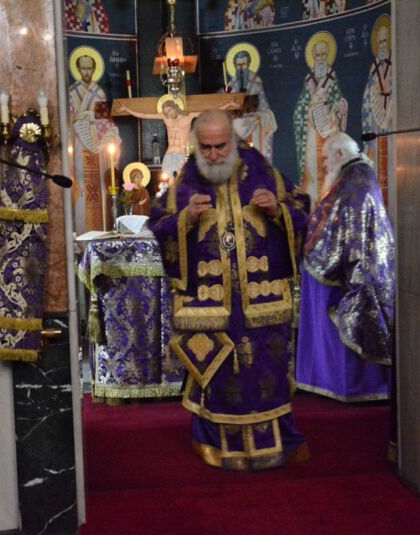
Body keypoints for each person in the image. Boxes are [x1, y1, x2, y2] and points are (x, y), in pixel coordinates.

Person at [148, 109, 311, 470]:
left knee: (265, 375)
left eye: (220, 146)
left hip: (262, 302)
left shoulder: (261, 169)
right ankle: (215, 445)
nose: (213, 155)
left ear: (233, 141)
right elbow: (158, 223)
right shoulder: (189, 176)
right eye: (206, 148)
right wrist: (186, 219)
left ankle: (275, 445)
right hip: (211, 305)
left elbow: (302, 209)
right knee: (221, 378)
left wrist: (277, 211)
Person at [296, 132, 395, 401]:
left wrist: (309, 247)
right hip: (368, 268)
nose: (324, 165)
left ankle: (349, 384)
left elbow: (331, 235)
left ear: (340, 154)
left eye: (326, 158)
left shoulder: (352, 184)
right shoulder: (359, 177)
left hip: (356, 274)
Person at [293, 33, 348, 202]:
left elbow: (338, 100)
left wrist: (339, 109)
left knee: (329, 172)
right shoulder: (308, 80)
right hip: (311, 135)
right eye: (318, 55)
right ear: (314, 58)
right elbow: (299, 109)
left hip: (329, 133)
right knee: (312, 173)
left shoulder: (332, 78)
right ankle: (313, 207)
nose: (321, 59)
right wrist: (309, 109)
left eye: (324, 54)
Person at [69, 52, 121, 231]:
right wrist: (80, 120)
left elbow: (104, 121)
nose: (86, 72)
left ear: (94, 69)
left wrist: (108, 134)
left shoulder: (98, 92)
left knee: (99, 185)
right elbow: (69, 120)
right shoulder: (72, 92)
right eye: (83, 68)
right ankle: (82, 231)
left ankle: (101, 229)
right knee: (82, 184)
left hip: (96, 144)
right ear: (78, 69)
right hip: (79, 143)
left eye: (89, 68)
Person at [361, 15, 392, 202]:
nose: (382, 46)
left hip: (392, 128)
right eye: (379, 42)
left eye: (385, 42)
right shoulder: (374, 68)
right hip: (376, 125)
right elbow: (366, 98)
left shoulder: (394, 67)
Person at [227, 49, 278, 161]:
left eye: (243, 64)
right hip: (237, 124)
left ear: (249, 64)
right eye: (238, 65)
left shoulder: (256, 82)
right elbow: (228, 108)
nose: (241, 68)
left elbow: (264, 107)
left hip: (253, 123)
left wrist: (258, 116)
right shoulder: (231, 84)